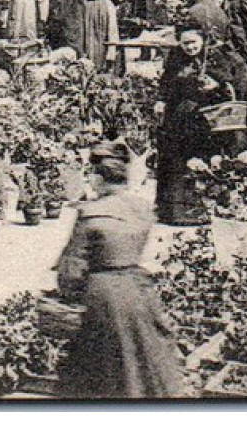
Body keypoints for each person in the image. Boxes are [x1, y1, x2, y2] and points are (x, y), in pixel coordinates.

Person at [56, 141, 186, 398]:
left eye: (90, 176)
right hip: (138, 292)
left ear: (98, 178)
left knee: (98, 374)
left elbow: (70, 274)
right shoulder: (142, 208)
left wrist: (70, 293)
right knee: (144, 364)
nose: (89, 182)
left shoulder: (90, 212)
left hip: (103, 297)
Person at [152, 27, 229, 226]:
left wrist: (216, 85)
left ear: (202, 40)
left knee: (200, 157)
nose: (190, 47)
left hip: (204, 116)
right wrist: (161, 100)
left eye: (194, 42)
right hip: (178, 114)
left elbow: (229, 82)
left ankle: (200, 207)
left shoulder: (213, 56)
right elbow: (166, 82)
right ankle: (173, 209)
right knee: (174, 158)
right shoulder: (175, 57)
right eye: (185, 43)